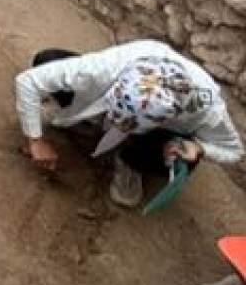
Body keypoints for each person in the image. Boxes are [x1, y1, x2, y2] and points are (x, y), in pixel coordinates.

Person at [14, 41, 243, 208]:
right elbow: (28, 81)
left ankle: (129, 163)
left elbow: (234, 151)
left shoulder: (207, 110)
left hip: (156, 137)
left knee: (185, 156)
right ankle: (89, 118)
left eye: (123, 124)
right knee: (48, 58)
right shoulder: (107, 67)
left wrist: (200, 147)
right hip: (104, 92)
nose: (116, 124)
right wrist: (35, 140)